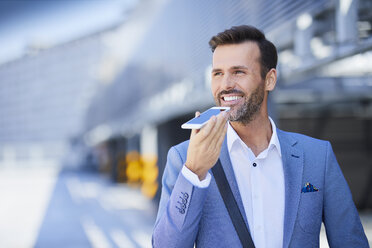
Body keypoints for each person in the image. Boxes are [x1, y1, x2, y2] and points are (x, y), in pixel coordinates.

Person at [152, 25, 369, 248]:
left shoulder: (317, 156)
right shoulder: (183, 158)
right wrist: (194, 172)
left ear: (270, 79)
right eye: (218, 73)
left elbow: (351, 242)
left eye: (238, 72)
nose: (225, 84)